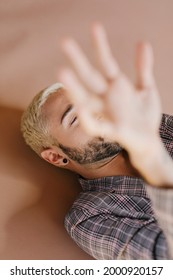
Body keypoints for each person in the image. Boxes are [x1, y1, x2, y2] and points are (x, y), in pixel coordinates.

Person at [21, 23, 173, 259]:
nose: (96, 115)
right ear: (57, 156)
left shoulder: (157, 126)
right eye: (74, 118)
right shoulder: (90, 217)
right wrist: (152, 157)